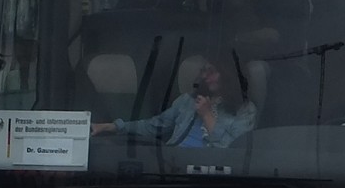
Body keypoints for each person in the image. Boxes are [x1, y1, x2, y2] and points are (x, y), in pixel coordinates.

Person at [90, 55, 255, 147]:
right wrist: (112, 126)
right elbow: (154, 126)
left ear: (228, 74)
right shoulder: (187, 101)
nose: (205, 77)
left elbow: (232, 150)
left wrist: (206, 115)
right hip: (174, 167)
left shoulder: (245, 110)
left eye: (211, 72)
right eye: (204, 71)